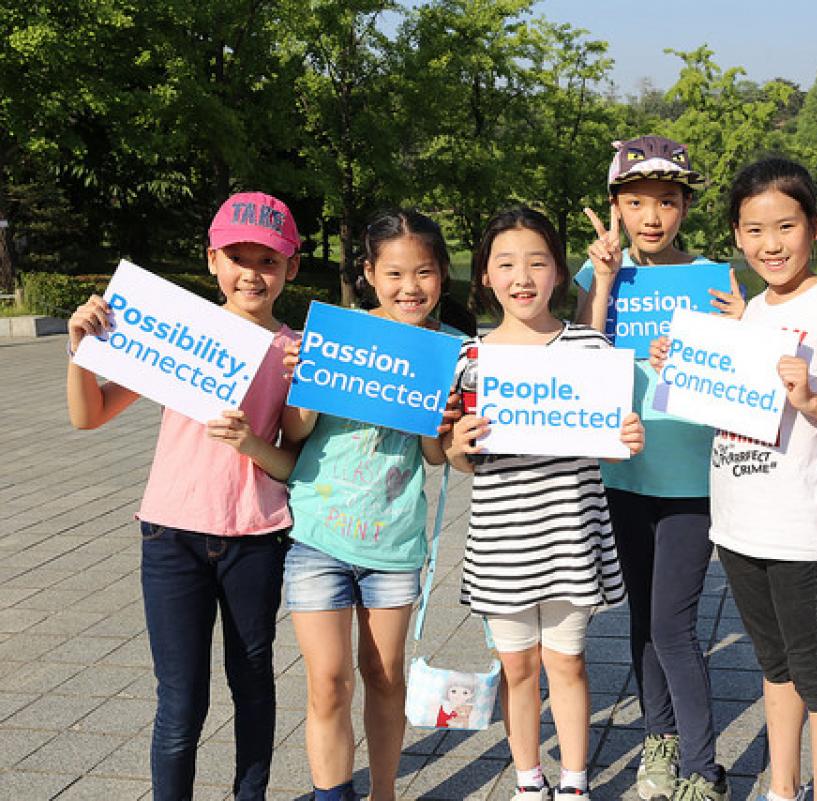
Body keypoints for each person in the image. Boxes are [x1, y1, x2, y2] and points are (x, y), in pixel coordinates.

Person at [650, 158, 817, 801]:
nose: (771, 243)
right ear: (736, 234)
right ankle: (783, 787)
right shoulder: (749, 312)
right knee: (774, 669)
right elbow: (721, 395)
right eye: (754, 230)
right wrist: (679, 364)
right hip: (736, 520)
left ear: (813, 227)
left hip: (797, 527)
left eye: (786, 225)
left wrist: (813, 402)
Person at [66, 191, 303, 800]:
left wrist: (268, 426)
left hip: (255, 534)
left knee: (252, 683)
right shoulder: (178, 333)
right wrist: (80, 352)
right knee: (180, 700)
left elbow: (295, 457)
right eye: (238, 258)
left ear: (291, 267)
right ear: (213, 262)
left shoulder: (296, 351)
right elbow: (88, 415)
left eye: (269, 260)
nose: (253, 272)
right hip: (171, 535)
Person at [446, 207, 645, 801]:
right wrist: (456, 447)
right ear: (484, 275)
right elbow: (459, 459)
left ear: (559, 272)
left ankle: (576, 782)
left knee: (568, 666)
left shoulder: (589, 347)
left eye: (537, 262)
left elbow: (606, 441)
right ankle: (529, 781)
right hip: (502, 542)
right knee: (519, 671)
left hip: (570, 538)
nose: (522, 276)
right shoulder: (471, 360)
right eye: (506, 263)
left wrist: (625, 439)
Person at [281, 209, 468, 801]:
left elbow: (435, 458)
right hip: (317, 532)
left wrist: (438, 421)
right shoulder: (339, 336)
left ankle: (383, 792)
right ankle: (331, 793)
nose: (410, 287)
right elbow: (295, 430)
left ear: (441, 275)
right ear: (368, 273)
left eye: (425, 272)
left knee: (385, 680)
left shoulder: (451, 351)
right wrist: (303, 380)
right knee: (328, 682)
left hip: (394, 541)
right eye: (394, 273)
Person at [575, 135, 739, 801]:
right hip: (622, 478)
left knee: (675, 624)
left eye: (666, 202)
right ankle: (659, 744)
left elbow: (740, 368)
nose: (651, 216)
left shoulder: (714, 276)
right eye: (636, 201)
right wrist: (606, 277)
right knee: (643, 617)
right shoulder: (597, 275)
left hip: (694, 479)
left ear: (685, 206)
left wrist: (714, 347)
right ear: (615, 205)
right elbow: (581, 356)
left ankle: (703, 768)